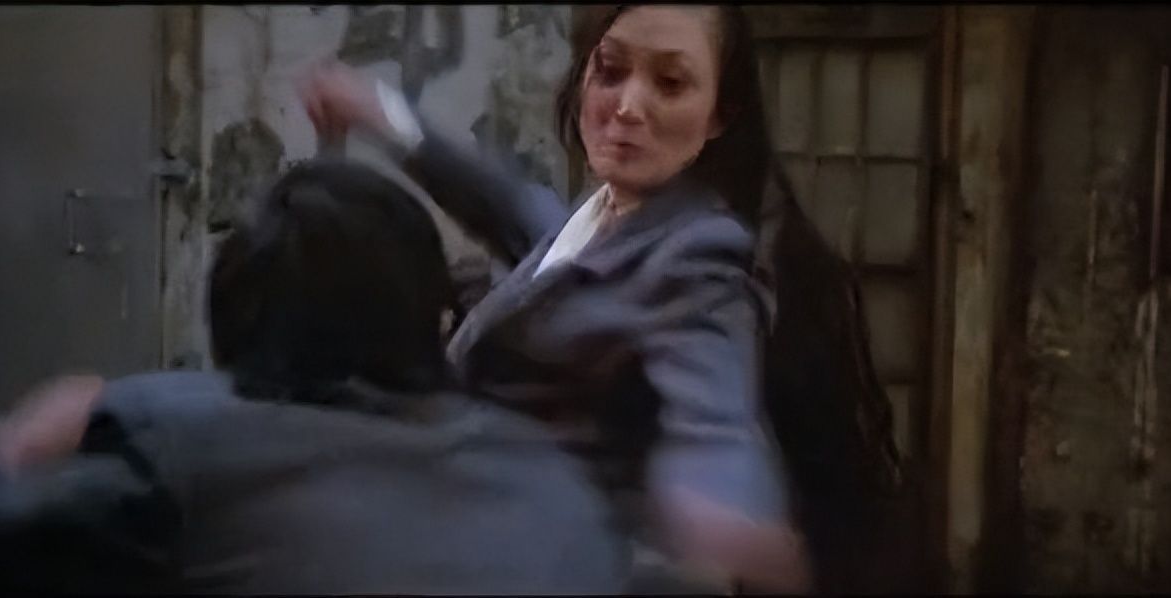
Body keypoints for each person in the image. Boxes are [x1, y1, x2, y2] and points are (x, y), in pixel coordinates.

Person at [301, 5, 812, 592]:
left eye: (670, 83)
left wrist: (722, 500)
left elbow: (713, 405)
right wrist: (377, 112)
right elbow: (498, 197)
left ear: (720, 113)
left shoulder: (699, 254)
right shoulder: (600, 217)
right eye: (610, 71)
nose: (628, 106)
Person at [0, 160, 629, 594]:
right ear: (433, 318)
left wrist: (17, 449)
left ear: (235, 324)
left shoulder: (183, 462)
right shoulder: (553, 480)